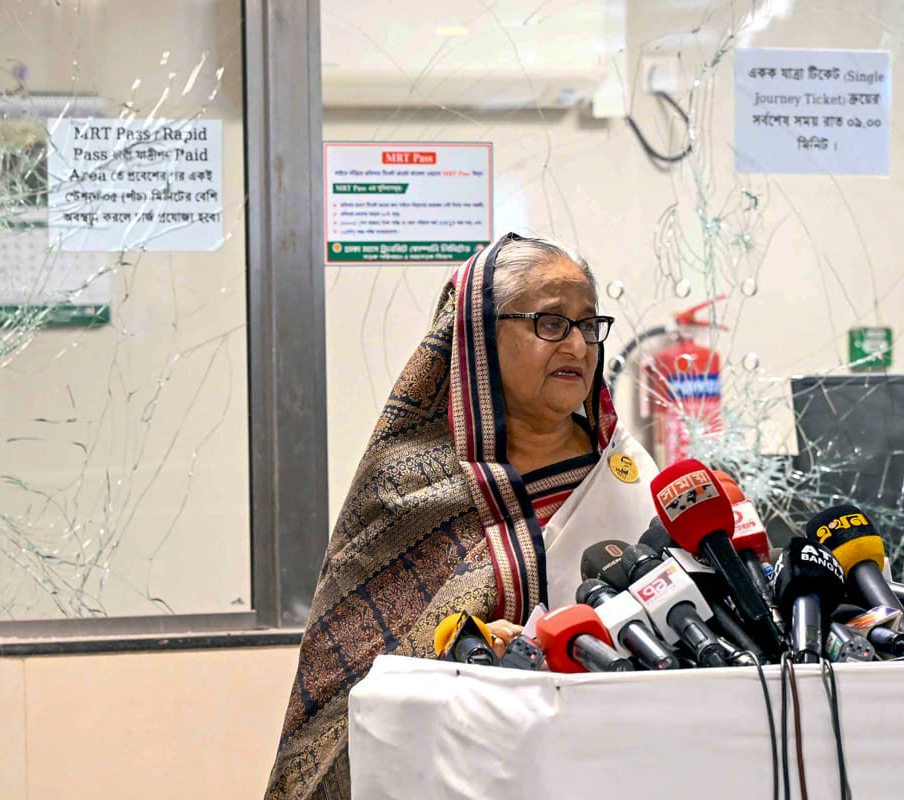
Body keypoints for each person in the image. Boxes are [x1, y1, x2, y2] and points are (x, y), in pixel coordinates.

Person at [264, 232, 658, 799]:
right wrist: (462, 659)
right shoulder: (409, 485)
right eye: (551, 322)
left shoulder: (626, 470)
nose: (577, 345)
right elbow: (353, 684)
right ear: (480, 337)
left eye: (588, 324)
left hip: (615, 766)